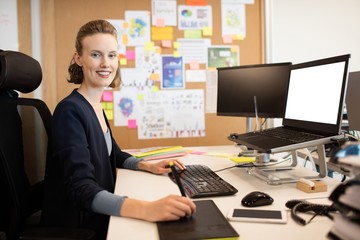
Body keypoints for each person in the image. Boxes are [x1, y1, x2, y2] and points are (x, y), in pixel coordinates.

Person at [41, 19, 196, 240]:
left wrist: (146, 166)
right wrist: (146, 209)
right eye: (96, 54)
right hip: (80, 224)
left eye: (112, 55)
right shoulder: (70, 111)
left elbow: (113, 153)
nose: (106, 63)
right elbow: (80, 188)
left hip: (99, 213)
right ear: (79, 58)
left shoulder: (93, 105)